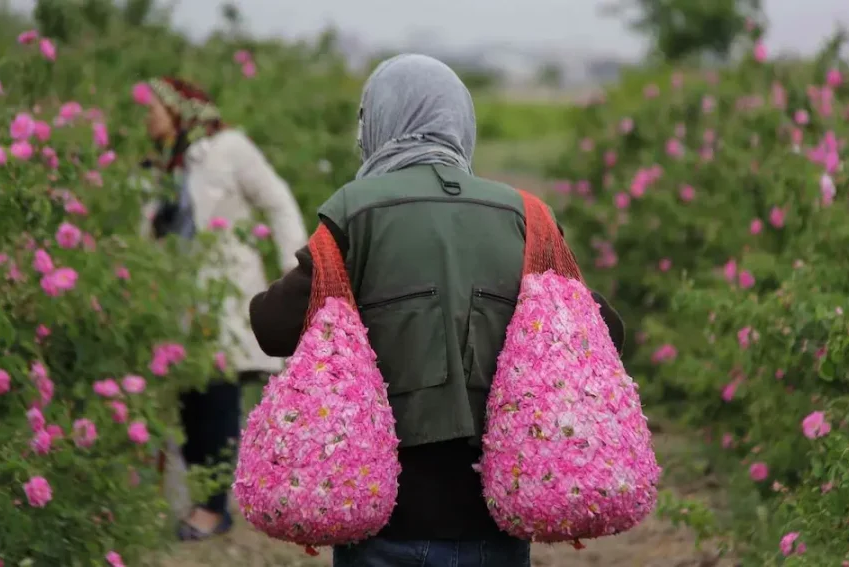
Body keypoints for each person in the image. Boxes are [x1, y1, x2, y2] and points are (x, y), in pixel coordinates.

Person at [247, 55, 625, 567]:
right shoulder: (525, 216)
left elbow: (272, 327)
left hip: (384, 520)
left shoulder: (356, 212)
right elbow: (604, 335)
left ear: (377, 122)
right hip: (496, 519)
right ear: (459, 122)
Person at [140, 76, 308, 541]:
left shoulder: (228, 149)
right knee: (191, 399)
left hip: (223, 296)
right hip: (175, 300)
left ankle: (213, 509)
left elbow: (279, 203)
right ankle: (203, 500)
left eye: (152, 105)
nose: (145, 115)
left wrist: (293, 274)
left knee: (216, 393)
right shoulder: (162, 166)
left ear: (179, 109)